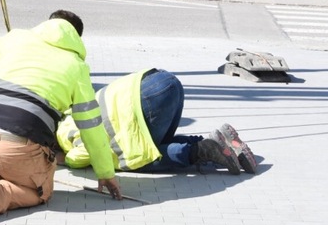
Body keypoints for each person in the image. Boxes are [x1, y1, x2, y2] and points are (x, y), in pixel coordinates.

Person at [0, 10, 123, 225]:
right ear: (76, 37)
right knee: (39, 191)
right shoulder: (77, 67)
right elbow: (91, 127)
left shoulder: (15, 38)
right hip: (17, 143)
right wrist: (105, 172)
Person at [56, 69, 258, 175]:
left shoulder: (65, 135)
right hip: (160, 80)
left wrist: (65, 160)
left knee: (142, 159)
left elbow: (85, 152)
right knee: (149, 144)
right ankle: (216, 141)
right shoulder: (72, 110)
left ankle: (205, 150)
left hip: (149, 99)